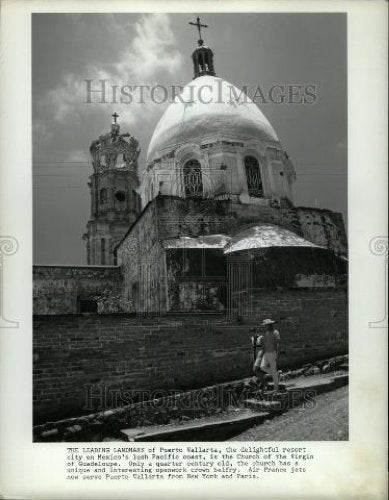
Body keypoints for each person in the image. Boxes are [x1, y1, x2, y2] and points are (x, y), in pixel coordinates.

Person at [252, 319, 281, 392]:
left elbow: (278, 343)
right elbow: (265, 344)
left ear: (270, 325)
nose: (265, 327)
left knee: (273, 370)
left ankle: (276, 388)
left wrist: (277, 353)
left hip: (272, 353)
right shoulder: (267, 333)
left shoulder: (275, 332)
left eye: (266, 325)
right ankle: (276, 374)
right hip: (266, 353)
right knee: (262, 367)